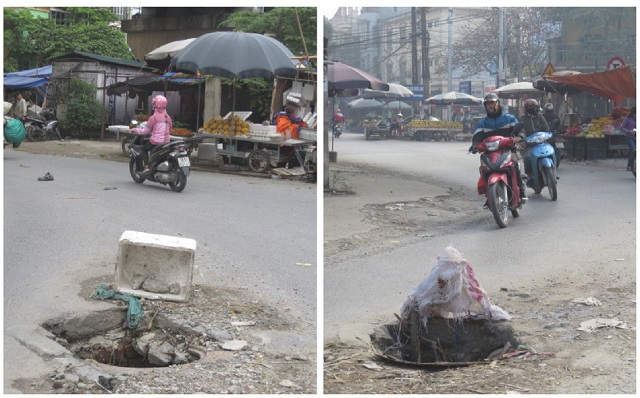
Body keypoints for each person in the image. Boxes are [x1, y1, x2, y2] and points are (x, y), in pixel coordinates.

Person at [472, 93, 527, 206]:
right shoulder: (482, 123)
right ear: (486, 106)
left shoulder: (509, 118)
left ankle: (521, 192)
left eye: (493, 103)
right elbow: (477, 137)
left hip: (507, 150)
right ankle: (488, 195)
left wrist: (519, 136)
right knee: (483, 169)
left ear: (498, 103)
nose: (491, 106)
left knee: (515, 164)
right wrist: (474, 145)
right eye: (488, 104)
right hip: (490, 152)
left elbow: (520, 130)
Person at [131, 95, 172, 175]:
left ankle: (146, 167)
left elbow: (145, 131)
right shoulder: (168, 117)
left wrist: (135, 129)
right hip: (167, 141)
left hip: (156, 141)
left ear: (155, 105)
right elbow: (170, 130)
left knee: (144, 149)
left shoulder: (154, 118)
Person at [520, 99, 550, 180]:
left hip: (542, 142)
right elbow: (520, 131)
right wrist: (522, 138)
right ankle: (529, 175)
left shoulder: (540, 117)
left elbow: (546, 128)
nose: (532, 108)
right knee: (527, 158)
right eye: (529, 107)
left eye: (533, 107)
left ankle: (552, 170)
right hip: (529, 144)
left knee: (550, 153)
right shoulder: (523, 119)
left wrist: (546, 136)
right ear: (526, 108)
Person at [620, 107, 636, 171]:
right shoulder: (627, 119)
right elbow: (622, 128)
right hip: (629, 137)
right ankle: (630, 165)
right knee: (633, 149)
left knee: (634, 151)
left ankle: (631, 165)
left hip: (636, 136)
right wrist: (628, 131)